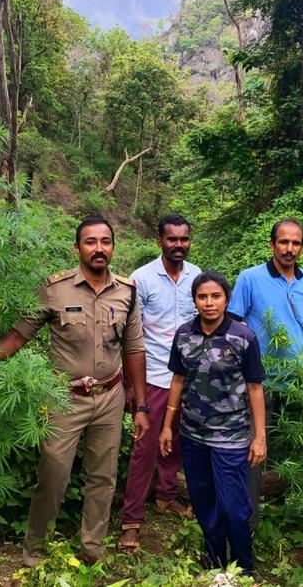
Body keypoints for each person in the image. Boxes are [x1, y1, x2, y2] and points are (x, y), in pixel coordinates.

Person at [0, 215, 150, 567]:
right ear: (77, 248)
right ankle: (34, 551)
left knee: (103, 478)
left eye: (105, 242)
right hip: (64, 398)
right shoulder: (55, 289)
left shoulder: (127, 292)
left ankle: (91, 549)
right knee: (53, 475)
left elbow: (135, 349)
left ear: (113, 247)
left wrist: (140, 405)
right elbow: (19, 336)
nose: (99, 248)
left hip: (110, 397)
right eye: (90, 242)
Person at [160, 270, 265, 575]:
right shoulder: (184, 334)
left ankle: (245, 567)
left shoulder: (243, 337)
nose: (209, 303)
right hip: (192, 434)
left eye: (215, 296)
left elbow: (255, 387)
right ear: (194, 300)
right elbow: (178, 379)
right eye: (202, 297)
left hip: (231, 436)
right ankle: (215, 558)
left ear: (226, 299)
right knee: (204, 501)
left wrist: (259, 438)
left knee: (234, 506)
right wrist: (167, 425)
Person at [227, 218, 303, 525]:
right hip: (261, 382)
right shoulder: (250, 279)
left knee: (292, 446)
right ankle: (251, 517)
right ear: (272, 245)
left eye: (296, 243)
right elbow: (234, 325)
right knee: (256, 448)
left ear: (302, 247)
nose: (289, 248)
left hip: (297, 383)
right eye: (283, 242)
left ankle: (286, 512)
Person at [119, 214, 200, 551]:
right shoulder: (142, 279)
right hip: (152, 377)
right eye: (172, 239)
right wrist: (128, 385)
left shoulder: (197, 277)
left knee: (178, 443)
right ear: (159, 241)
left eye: (183, 239)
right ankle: (131, 521)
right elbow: (128, 335)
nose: (178, 245)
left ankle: (167, 496)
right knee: (145, 449)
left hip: (189, 378)